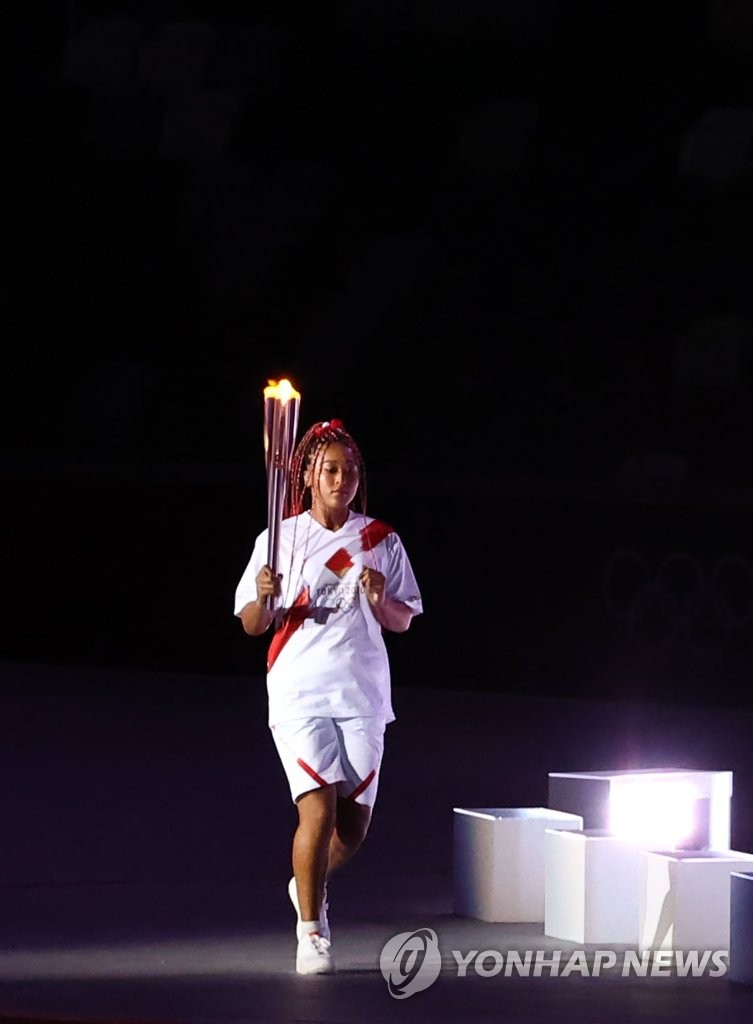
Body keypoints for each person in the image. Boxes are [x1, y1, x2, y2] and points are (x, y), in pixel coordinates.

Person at [233, 418, 423, 975]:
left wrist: (381, 597)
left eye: (349, 471)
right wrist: (265, 599)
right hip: (299, 690)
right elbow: (252, 623)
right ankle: (311, 931)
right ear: (309, 477)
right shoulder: (278, 538)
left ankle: (305, 884)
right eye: (330, 470)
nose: (341, 479)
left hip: (362, 691)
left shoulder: (380, 539)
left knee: (353, 829)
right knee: (315, 810)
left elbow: (401, 622)